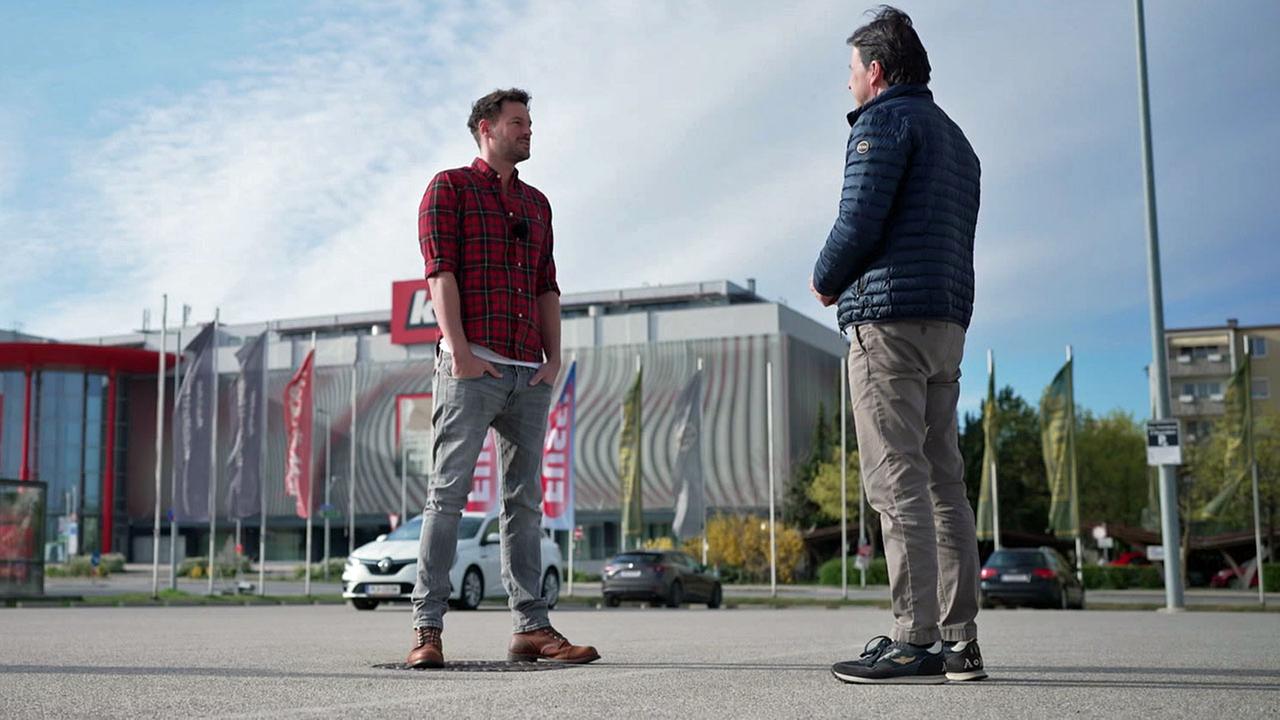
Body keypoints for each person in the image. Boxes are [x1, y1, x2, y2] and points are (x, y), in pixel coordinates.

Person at [809, 7, 985, 685]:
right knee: (944, 482)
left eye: (852, 69)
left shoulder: (881, 124)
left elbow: (859, 219)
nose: (849, 82)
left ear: (876, 71)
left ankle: (914, 640)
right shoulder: (957, 140)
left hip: (889, 324)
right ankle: (959, 643)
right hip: (946, 323)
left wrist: (825, 279)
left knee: (897, 480)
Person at [407, 88, 599, 668]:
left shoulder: (538, 204)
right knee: (448, 495)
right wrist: (461, 354)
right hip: (471, 369)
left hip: (527, 373)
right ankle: (427, 629)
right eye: (518, 122)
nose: (529, 130)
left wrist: (553, 360)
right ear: (486, 129)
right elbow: (440, 274)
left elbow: (547, 285)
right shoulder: (449, 188)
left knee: (524, 502)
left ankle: (531, 628)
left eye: (530, 123)